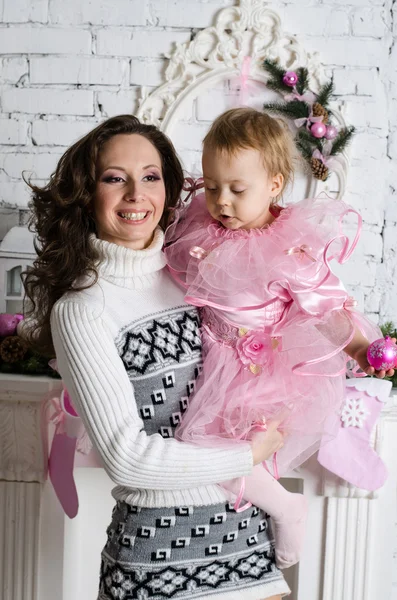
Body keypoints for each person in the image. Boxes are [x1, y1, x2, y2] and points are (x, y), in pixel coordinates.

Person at [22, 115, 291, 600]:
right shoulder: (83, 310)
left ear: (169, 188)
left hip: (248, 545)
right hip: (153, 566)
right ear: (86, 192)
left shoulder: (198, 274)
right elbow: (127, 458)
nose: (135, 194)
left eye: (150, 176)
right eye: (113, 178)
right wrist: (245, 455)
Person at [164, 107, 394, 569]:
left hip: (256, 370)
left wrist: (357, 348)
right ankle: (252, 531)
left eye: (236, 189)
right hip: (204, 356)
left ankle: (287, 507)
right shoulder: (199, 229)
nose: (221, 201)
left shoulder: (289, 249)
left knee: (214, 448)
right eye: (211, 187)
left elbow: (327, 306)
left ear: (273, 184)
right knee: (204, 457)